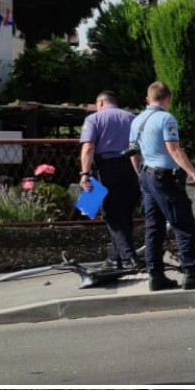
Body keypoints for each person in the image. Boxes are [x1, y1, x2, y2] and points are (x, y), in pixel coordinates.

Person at [129, 81, 195, 291]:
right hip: (164, 177)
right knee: (183, 224)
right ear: (168, 99)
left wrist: (140, 177)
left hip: (146, 175)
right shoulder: (166, 119)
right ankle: (191, 272)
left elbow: (133, 153)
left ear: (147, 99)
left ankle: (156, 275)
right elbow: (175, 150)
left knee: (154, 227)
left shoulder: (137, 120)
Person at [78, 92, 141, 267]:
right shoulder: (132, 118)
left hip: (106, 168)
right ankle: (114, 258)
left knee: (111, 215)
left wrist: (84, 173)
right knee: (125, 214)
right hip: (130, 167)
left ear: (100, 103)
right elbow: (136, 147)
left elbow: (89, 147)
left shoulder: (94, 119)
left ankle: (130, 255)